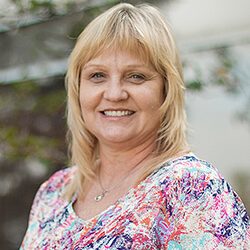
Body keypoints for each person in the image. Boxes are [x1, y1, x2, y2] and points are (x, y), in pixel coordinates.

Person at [20, 3, 249, 249]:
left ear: (166, 90)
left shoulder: (191, 188)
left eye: (136, 76)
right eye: (97, 76)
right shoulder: (54, 191)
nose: (115, 93)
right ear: (78, 90)